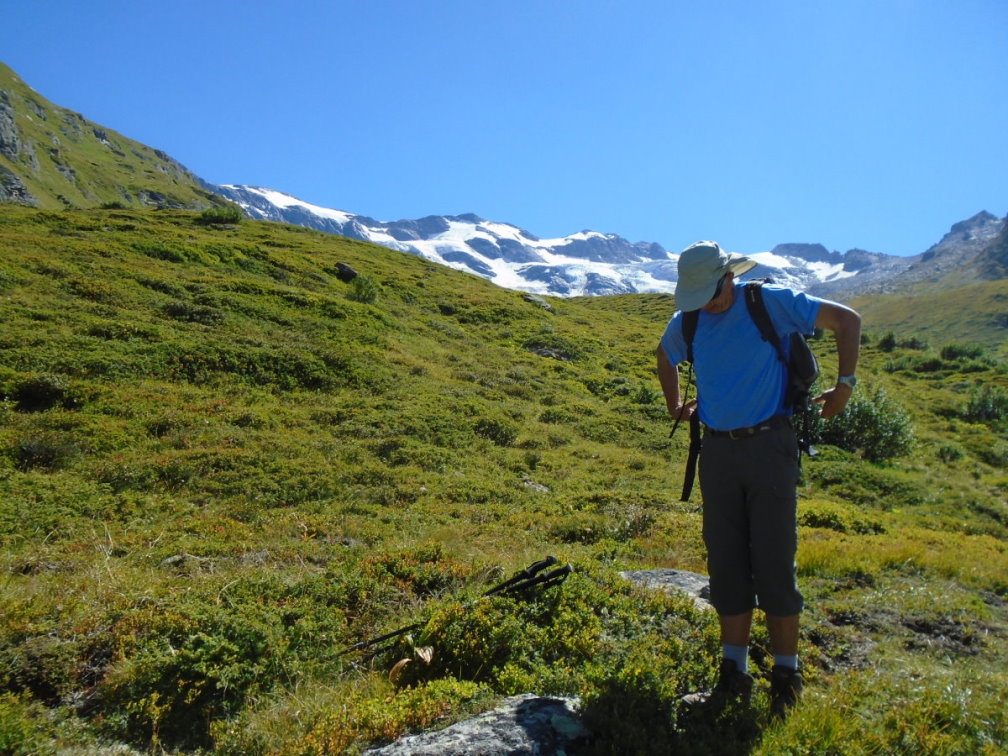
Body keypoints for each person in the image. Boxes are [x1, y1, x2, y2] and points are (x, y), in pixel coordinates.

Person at [656, 240, 861, 718]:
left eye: (713, 292)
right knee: (725, 562)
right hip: (718, 452)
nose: (709, 303)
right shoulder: (687, 320)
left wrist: (845, 386)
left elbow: (846, 321)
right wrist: (673, 406)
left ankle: (786, 676)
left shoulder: (768, 301)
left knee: (772, 560)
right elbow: (665, 358)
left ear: (729, 276)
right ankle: (734, 673)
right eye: (700, 296)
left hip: (771, 445)